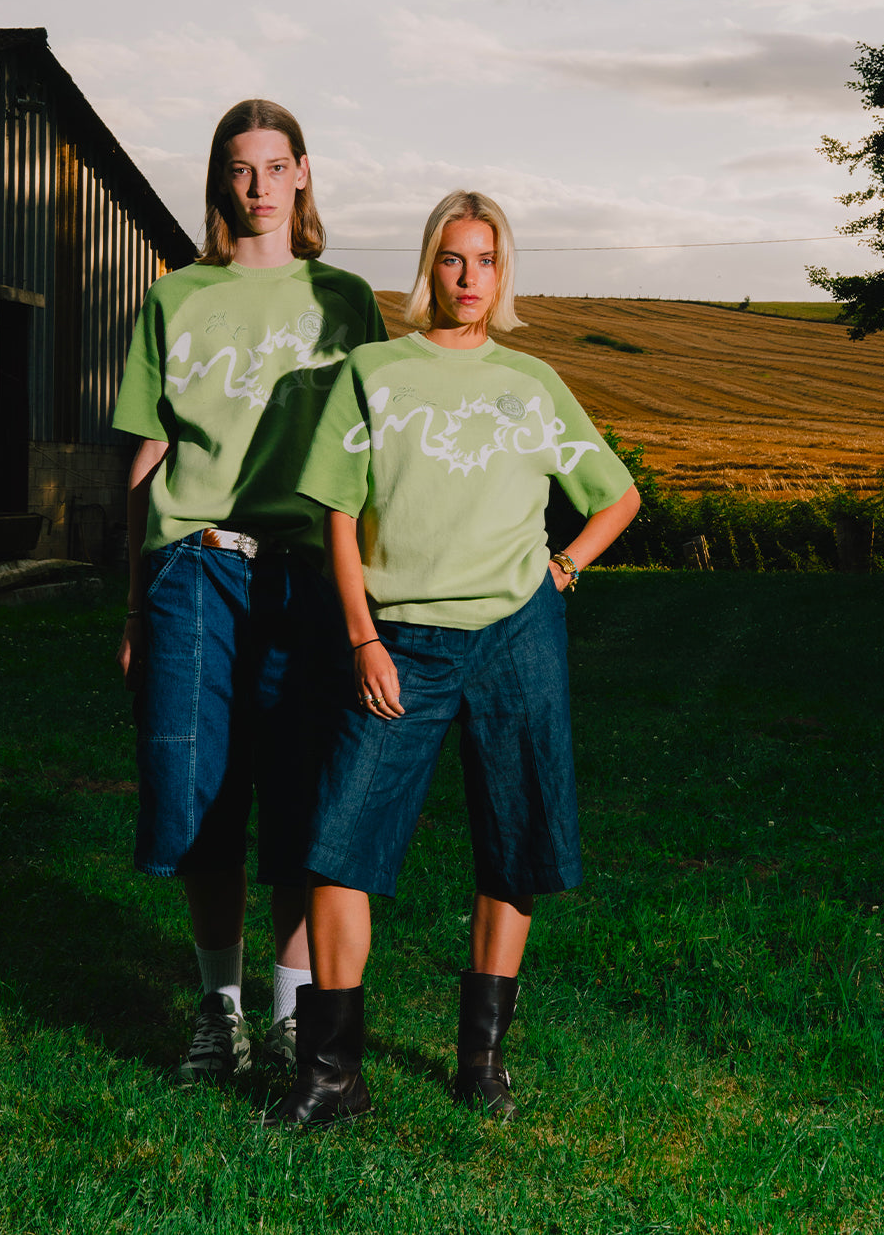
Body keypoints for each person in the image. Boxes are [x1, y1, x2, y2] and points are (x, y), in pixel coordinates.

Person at [267, 190, 641, 1127]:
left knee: (513, 842)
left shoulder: (532, 382)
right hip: (401, 640)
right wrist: (362, 636)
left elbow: (616, 496)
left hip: (518, 637)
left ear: (503, 271)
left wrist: (563, 567)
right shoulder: (375, 372)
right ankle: (331, 1075)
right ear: (428, 266)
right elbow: (338, 514)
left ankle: (482, 1062)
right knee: (337, 844)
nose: (469, 277)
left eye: (486, 259)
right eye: (452, 257)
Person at [112, 99, 388, 1085]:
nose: (259, 186)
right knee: (201, 792)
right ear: (219, 180)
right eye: (241, 168)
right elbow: (146, 458)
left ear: (303, 174)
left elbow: (369, 457)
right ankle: (217, 1012)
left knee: (305, 794)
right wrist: (133, 606)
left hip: (306, 573)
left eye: (276, 167)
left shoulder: (345, 300)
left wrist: (368, 609)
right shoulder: (176, 298)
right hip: (195, 565)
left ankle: (288, 1013)